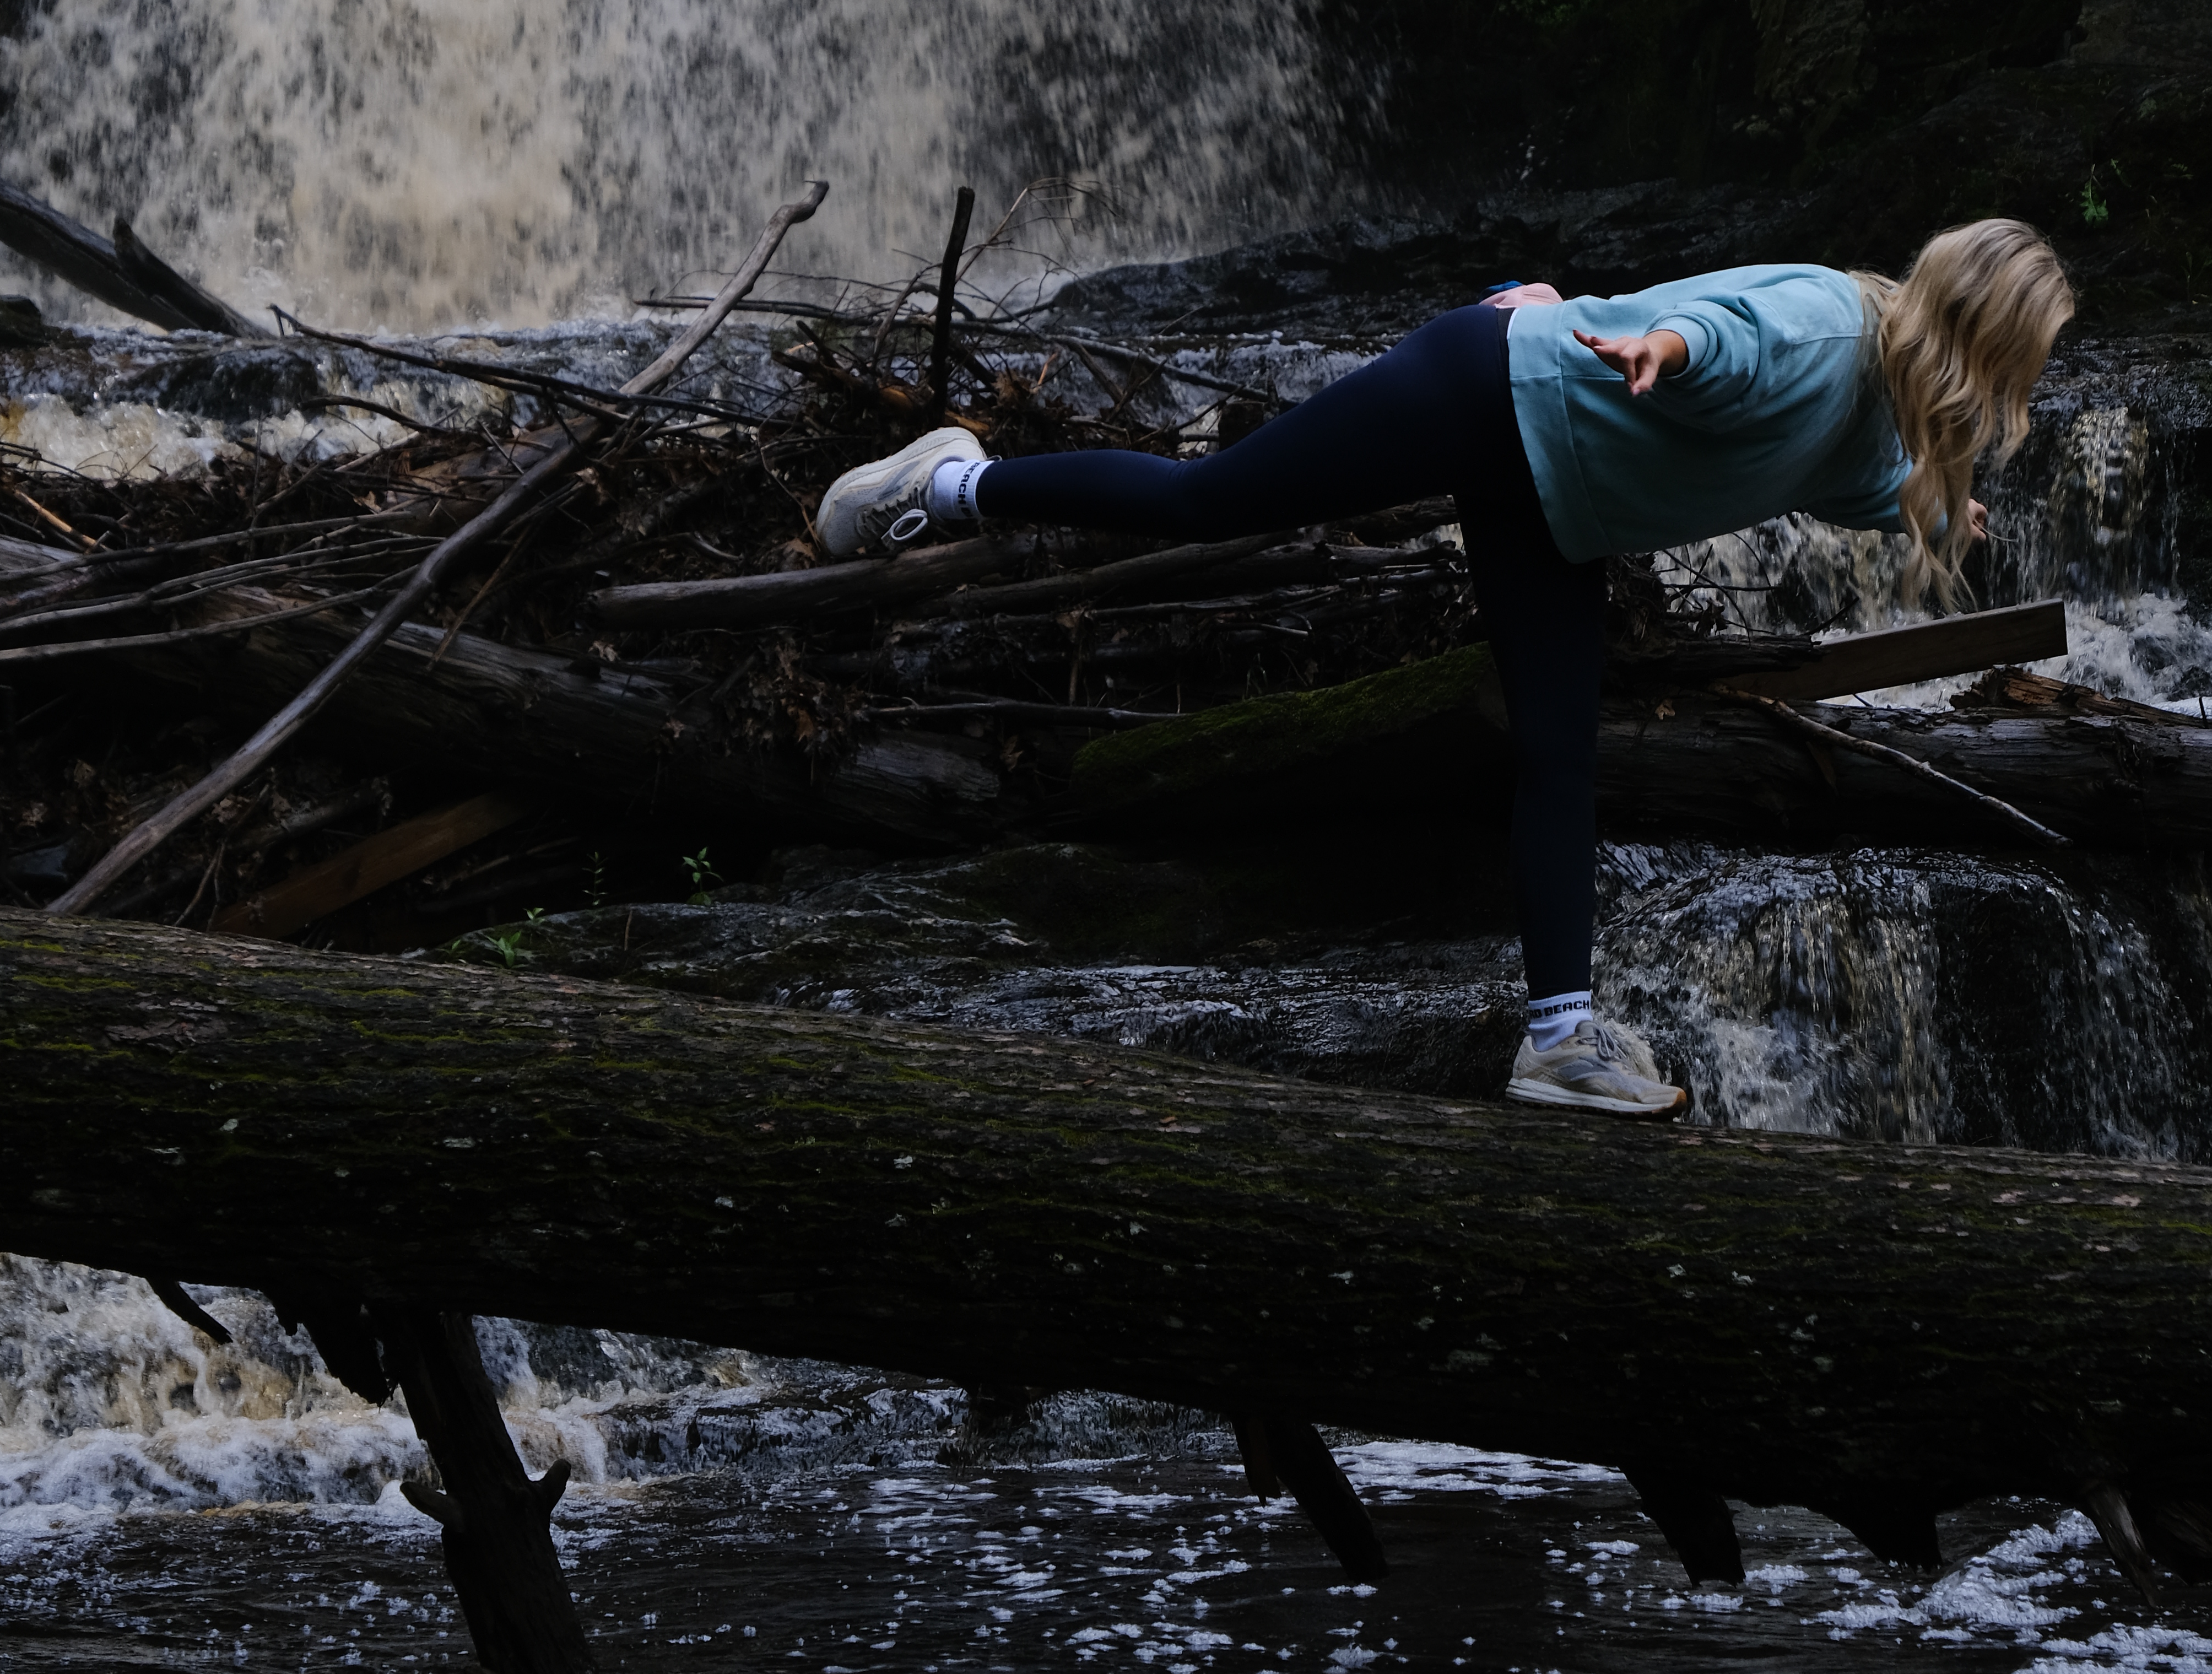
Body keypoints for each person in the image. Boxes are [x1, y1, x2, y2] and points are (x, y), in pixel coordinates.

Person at [814, 219, 2075, 1118]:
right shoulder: (1821, 322)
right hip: (1491, 393)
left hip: (1550, 484)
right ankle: (949, 483)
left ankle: (1559, 1041)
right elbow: (1726, 337)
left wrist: (1935, 514)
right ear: (1990, 340)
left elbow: (1847, 477)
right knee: (1212, 502)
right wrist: (1662, 351)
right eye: (2034, 356)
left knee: (1557, 747)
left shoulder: (1880, 411)